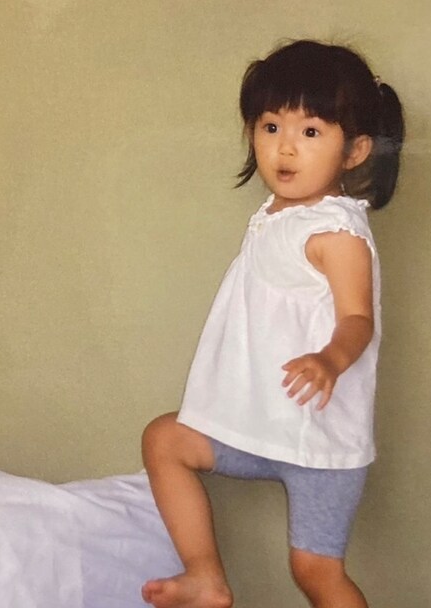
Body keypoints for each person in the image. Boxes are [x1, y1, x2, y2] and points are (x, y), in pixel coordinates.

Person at [141, 39, 404, 608]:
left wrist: (330, 358)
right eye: (270, 127)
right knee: (165, 439)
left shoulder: (336, 231)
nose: (285, 147)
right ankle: (205, 575)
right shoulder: (277, 215)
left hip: (317, 438)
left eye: (310, 131)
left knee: (315, 572)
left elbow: (358, 319)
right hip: (260, 422)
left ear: (355, 150)